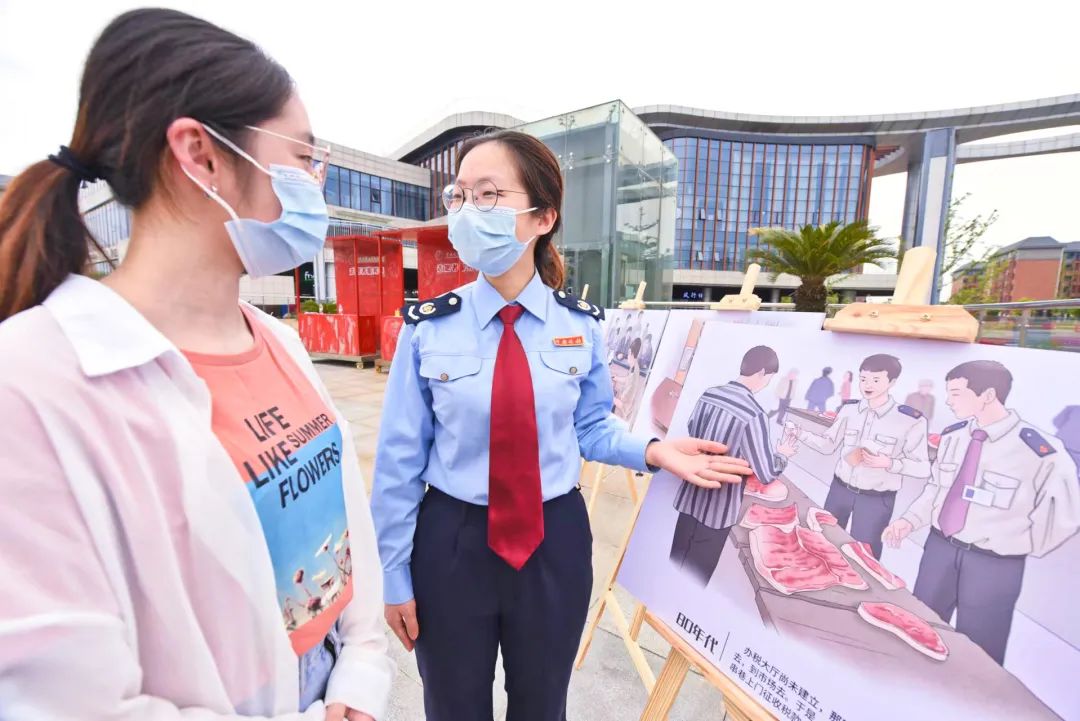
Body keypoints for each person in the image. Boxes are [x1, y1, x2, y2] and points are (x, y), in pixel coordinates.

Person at [0, 9, 392, 720]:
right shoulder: (31, 383)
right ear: (201, 155)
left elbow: (346, 539)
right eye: (302, 157)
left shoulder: (279, 343)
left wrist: (362, 671)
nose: (316, 183)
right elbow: (69, 701)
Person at [370, 130, 751, 721]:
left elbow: (591, 427)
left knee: (543, 706)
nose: (469, 210)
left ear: (542, 217)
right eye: (459, 195)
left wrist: (655, 450)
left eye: (489, 194)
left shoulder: (581, 326)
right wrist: (393, 576)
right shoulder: (428, 329)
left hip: (553, 539)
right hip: (451, 543)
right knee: (452, 707)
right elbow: (398, 462)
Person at [883, 360, 1080, 665]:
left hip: (993, 565)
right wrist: (909, 520)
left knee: (979, 654)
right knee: (920, 627)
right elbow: (937, 488)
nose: (949, 401)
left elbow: (1065, 515)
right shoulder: (954, 436)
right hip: (940, 549)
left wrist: (1017, 543)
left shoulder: (1040, 452)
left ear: (987, 395)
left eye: (956, 393)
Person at [670, 346, 798, 586]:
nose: (768, 383)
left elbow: (692, 431)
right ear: (762, 372)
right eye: (769, 377)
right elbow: (766, 472)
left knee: (673, 568)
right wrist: (782, 455)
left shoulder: (710, 394)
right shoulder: (754, 414)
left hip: (690, 496)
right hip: (718, 508)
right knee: (694, 582)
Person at [792, 354, 930, 558]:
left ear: (892, 382)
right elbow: (828, 445)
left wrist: (890, 463)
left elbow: (923, 467)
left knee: (864, 554)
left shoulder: (910, 420)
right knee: (823, 542)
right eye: (863, 379)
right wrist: (799, 434)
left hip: (875, 499)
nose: (867, 385)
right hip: (840, 489)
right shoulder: (849, 410)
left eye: (876, 380)